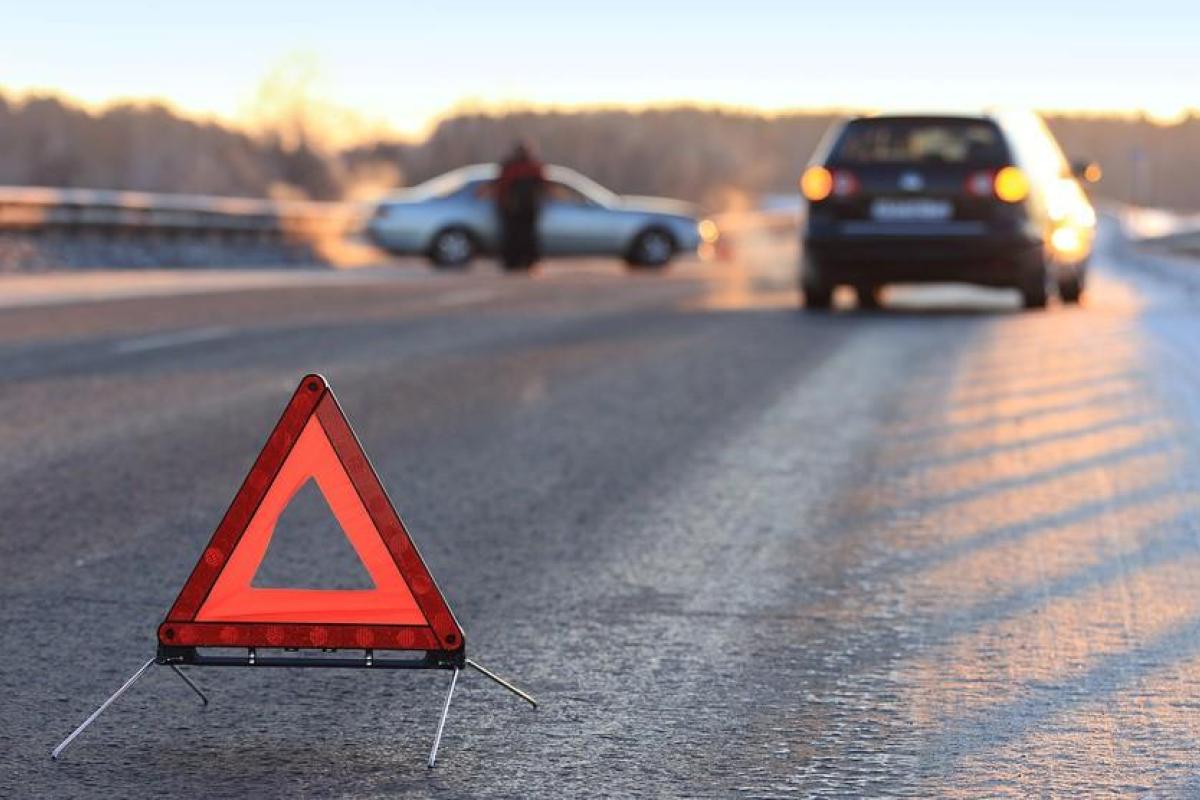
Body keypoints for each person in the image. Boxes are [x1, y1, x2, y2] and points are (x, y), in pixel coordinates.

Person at [495, 141, 545, 270]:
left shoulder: (515, 166)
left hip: (522, 208)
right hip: (519, 208)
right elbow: (542, 186)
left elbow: (542, 186)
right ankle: (520, 262)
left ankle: (519, 262)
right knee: (519, 236)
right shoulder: (530, 166)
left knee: (519, 236)